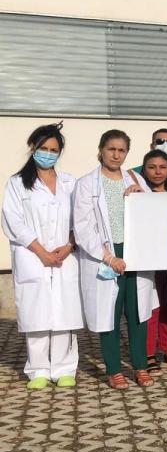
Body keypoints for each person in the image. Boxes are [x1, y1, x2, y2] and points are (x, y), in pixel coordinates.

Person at [74, 129, 158, 389]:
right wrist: (109, 258)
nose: (116, 154)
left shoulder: (135, 179)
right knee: (107, 314)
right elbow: (83, 227)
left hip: (135, 255)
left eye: (121, 150)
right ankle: (113, 369)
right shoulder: (86, 183)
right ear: (101, 150)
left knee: (137, 314)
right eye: (111, 149)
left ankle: (140, 367)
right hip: (105, 256)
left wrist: (142, 198)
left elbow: (154, 214)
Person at [2, 123, 83, 389]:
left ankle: (65, 368)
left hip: (64, 256)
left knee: (64, 313)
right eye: (43, 149)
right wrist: (41, 252)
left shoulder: (70, 183)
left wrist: (70, 244)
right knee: (36, 314)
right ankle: (37, 370)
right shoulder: (17, 183)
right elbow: (13, 221)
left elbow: (80, 219)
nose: (48, 154)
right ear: (33, 148)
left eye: (54, 150)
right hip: (32, 256)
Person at [139, 149, 167, 373]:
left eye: (162, 167)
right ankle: (148, 352)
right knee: (150, 307)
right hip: (146, 259)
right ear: (144, 169)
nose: (157, 172)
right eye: (152, 167)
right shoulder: (138, 195)